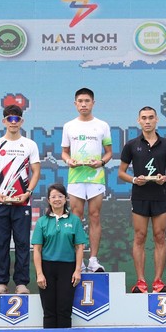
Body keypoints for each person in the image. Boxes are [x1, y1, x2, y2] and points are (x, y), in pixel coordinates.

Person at [118, 106, 166, 293]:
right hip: (139, 196)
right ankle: (141, 281)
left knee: (160, 236)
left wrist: (164, 178)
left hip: (160, 196)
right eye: (144, 118)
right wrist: (135, 180)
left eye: (151, 117)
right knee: (140, 236)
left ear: (157, 119)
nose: (147, 121)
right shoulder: (131, 145)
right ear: (139, 121)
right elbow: (121, 172)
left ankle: (158, 281)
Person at [0, 105, 41, 295]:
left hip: (22, 202)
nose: (13, 122)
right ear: (4, 121)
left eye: (17, 119)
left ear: (22, 121)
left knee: (22, 243)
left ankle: (21, 283)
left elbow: (36, 171)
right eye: (10, 119)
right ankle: (1, 282)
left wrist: (28, 192)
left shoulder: (30, 145)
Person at [61, 87, 112, 273]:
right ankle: (79, 261)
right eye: (80, 101)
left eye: (87, 101)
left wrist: (100, 162)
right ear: (75, 104)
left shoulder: (102, 125)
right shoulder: (69, 126)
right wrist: (69, 161)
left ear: (93, 103)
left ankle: (93, 260)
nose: (84, 104)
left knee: (95, 216)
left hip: (95, 177)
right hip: (76, 177)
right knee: (76, 218)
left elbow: (109, 153)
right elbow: (64, 152)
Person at [32, 183, 86, 328]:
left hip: (68, 268)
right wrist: (39, 273)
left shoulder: (74, 220)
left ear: (65, 199)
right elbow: (37, 249)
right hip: (47, 267)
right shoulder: (42, 221)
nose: (57, 199)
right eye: (53, 197)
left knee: (64, 309)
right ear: (48, 200)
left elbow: (79, 247)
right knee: (49, 310)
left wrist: (77, 270)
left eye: (60, 196)